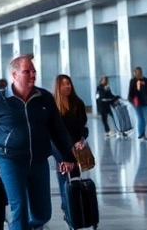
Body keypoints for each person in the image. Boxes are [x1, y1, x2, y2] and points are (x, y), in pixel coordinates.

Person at [0, 55, 76, 230]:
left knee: (42, 214)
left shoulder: (44, 97)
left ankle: (26, 226)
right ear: (14, 75)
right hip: (10, 160)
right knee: (19, 206)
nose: (32, 75)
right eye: (27, 71)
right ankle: (17, 224)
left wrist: (67, 157)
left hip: (39, 161)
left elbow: (58, 130)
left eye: (33, 71)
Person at [53, 74, 88, 219]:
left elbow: (83, 126)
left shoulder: (77, 103)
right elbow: (52, 132)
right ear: (58, 87)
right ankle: (68, 208)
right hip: (60, 148)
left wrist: (82, 139)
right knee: (63, 177)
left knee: (75, 177)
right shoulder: (54, 105)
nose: (67, 86)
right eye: (64, 84)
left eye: (69, 83)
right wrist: (60, 155)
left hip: (76, 147)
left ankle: (72, 207)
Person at [128, 66, 147, 140]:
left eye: (140, 72)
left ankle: (142, 133)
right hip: (137, 103)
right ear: (135, 73)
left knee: (144, 119)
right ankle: (141, 134)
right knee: (140, 118)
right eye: (137, 72)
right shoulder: (133, 81)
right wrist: (131, 100)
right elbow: (131, 92)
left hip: (146, 103)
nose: (138, 74)